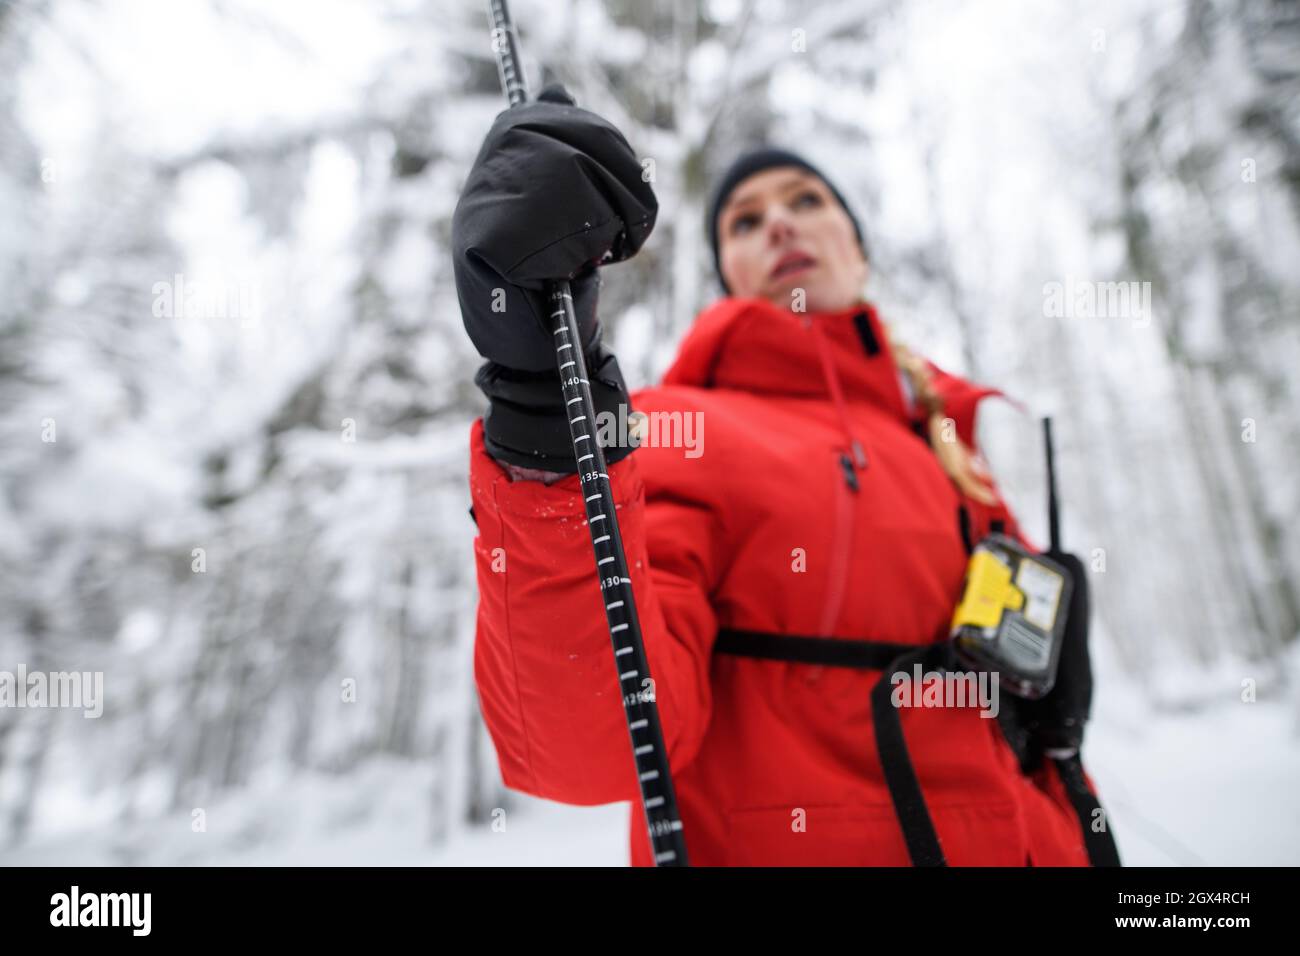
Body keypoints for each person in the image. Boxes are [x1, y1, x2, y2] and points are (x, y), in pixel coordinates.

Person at [452, 85, 1117, 866]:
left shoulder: (949, 445)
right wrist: (544, 411)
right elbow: (593, 744)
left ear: (857, 246)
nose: (779, 222)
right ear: (728, 271)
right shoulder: (683, 431)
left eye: (806, 199)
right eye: (744, 220)